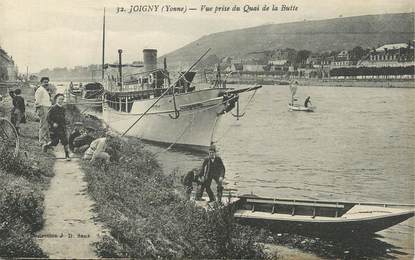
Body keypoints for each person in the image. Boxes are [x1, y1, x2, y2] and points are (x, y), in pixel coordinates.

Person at [43, 94, 71, 161]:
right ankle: (46, 145)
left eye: (62, 99)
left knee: (65, 142)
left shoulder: (63, 109)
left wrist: (66, 123)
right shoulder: (53, 108)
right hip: (54, 128)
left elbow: (63, 118)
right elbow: (48, 118)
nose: (61, 101)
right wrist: (53, 123)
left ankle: (67, 156)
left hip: (62, 128)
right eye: (59, 99)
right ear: (56, 100)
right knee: (55, 142)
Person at [35, 77, 52, 146]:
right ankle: (41, 141)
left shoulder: (44, 90)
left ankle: (46, 141)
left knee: (46, 125)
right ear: (41, 82)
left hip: (46, 108)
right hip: (42, 108)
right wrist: (39, 109)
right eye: (45, 82)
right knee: (43, 125)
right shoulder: (40, 90)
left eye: (47, 82)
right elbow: (37, 101)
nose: (46, 83)